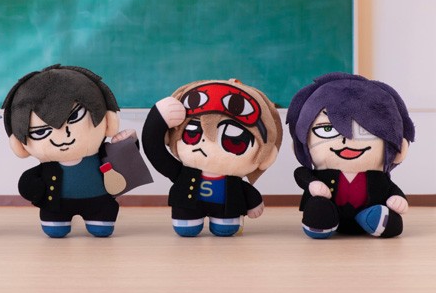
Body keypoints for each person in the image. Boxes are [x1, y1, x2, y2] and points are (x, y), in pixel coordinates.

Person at [2, 64, 140, 238]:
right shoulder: (47, 165)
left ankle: (97, 218)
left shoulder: (101, 154)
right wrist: (32, 187)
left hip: (100, 204)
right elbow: (27, 185)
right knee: (55, 229)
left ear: (108, 120)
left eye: (75, 117)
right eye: (41, 131)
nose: (62, 136)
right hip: (56, 207)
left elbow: (124, 158)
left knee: (101, 228)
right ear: (19, 144)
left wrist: (129, 141)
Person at [142, 79, 282, 237]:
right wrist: (157, 119)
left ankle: (222, 222)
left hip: (226, 210)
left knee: (226, 228)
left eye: (233, 141)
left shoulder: (232, 180)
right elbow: (155, 152)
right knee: (186, 228)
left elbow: (245, 190)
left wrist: (253, 201)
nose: (204, 143)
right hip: (187, 209)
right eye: (192, 134)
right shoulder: (183, 174)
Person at [286, 72, 415, 239]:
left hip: (368, 214)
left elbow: (390, 188)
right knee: (319, 207)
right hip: (330, 212)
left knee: (391, 221)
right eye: (327, 129)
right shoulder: (321, 174)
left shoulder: (379, 178)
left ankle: (377, 220)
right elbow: (301, 173)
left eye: (366, 131)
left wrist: (398, 198)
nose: (347, 140)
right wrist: (312, 183)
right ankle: (321, 221)